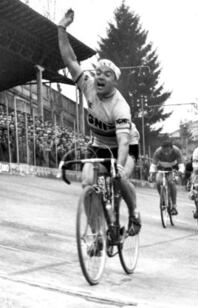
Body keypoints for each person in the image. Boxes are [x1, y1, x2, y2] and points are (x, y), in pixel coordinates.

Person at [58, 9, 141, 235]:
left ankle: (134, 213)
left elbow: (123, 142)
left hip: (125, 145)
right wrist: (61, 29)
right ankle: (96, 234)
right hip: (99, 143)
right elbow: (70, 59)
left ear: (115, 81)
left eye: (108, 74)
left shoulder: (120, 106)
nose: (101, 76)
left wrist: (119, 166)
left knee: (120, 178)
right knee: (87, 183)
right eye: (99, 72)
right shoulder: (88, 84)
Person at [149, 140, 185, 215]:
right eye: (164, 151)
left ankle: (174, 206)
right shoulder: (158, 152)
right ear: (161, 149)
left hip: (173, 168)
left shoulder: (176, 151)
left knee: (171, 182)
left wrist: (180, 172)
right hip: (161, 168)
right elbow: (153, 165)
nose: (166, 153)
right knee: (158, 181)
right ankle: (163, 199)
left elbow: (181, 165)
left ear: (172, 148)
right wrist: (151, 174)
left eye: (168, 151)